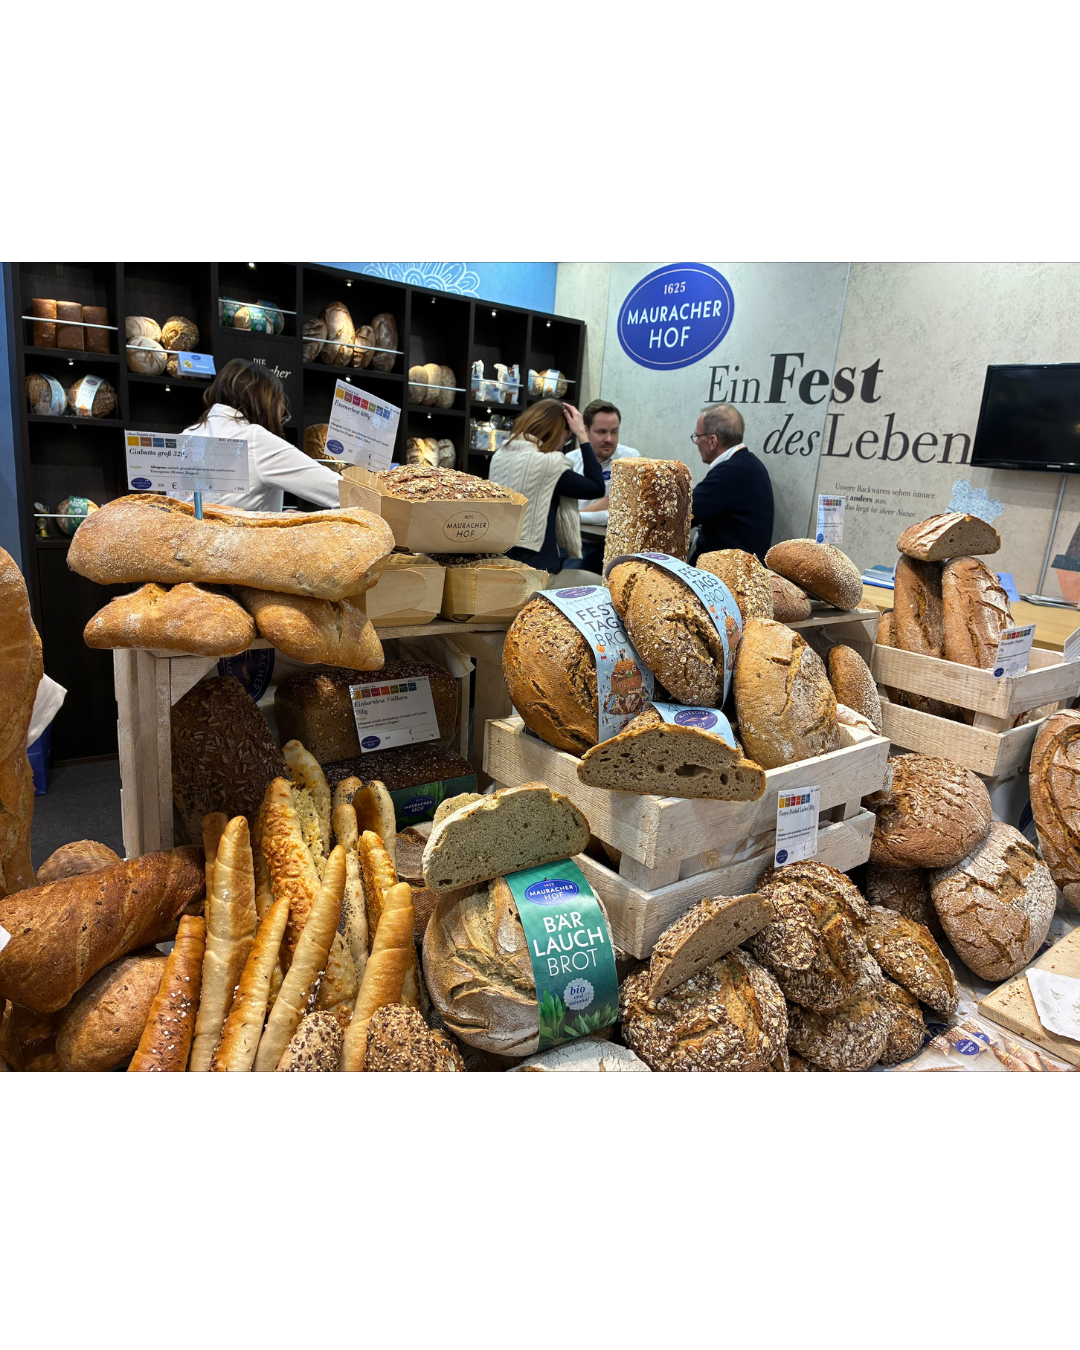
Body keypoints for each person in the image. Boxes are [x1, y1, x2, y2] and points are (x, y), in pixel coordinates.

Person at [181, 359, 341, 511]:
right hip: (243, 533)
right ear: (266, 406)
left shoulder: (186, 436)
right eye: (280, 416)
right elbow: (341, 491)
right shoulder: (255, 440)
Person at [488, 399, 604, 574]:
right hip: (538, 571)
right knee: (598, 580)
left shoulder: (500, 456)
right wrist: (582, 435)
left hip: (499, 563)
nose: (562, 446)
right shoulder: (548, 464)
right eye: (565, 439)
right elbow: (596, 487)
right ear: (556, 433)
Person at [689, 403, 774, 563]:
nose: (697, 443)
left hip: (727, 573)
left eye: (697, 436)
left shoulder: (731, 471)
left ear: (712, 441)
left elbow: (685, 514)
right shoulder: (749, 464)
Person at [564, 399, 640, 573]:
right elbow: (562, 513)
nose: (609, 439)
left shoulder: (630, 459)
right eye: (601, 432)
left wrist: (577, 515)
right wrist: (595, 509)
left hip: (615, 547)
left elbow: (623, 515)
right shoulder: (570, 461)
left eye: (614, 432)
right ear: (585, 431)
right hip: (573, 542)